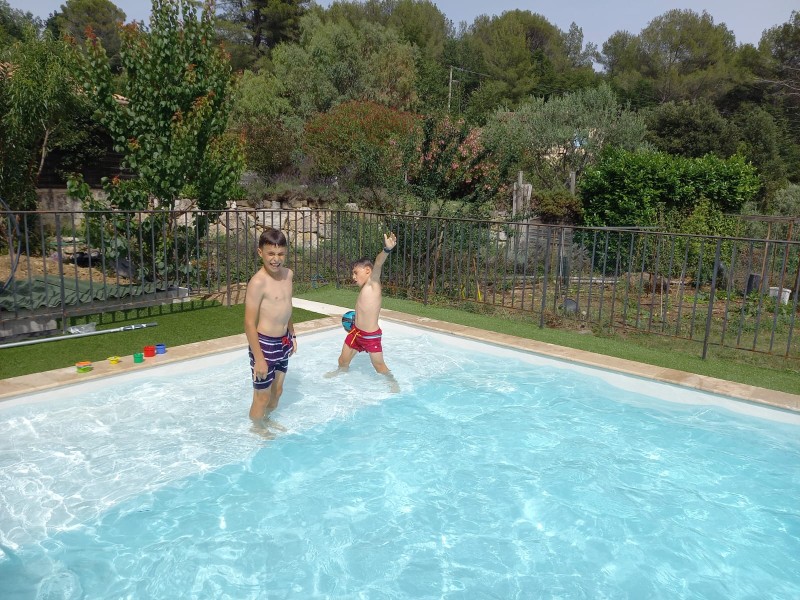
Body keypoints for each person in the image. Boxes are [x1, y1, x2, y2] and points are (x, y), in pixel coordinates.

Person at [328, 232, 399, 391]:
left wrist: (386, 250)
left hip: (370, 336)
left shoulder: (373, 284)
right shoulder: (363, 289)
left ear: (368, 270)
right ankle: (341, 377)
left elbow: (378, 263)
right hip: (356, 332)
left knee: (379, 366)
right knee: (343, 360)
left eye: (355, 272)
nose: (352, 276)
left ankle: (392, 382)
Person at [244, 228, 296, 425]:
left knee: (278, 392)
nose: (276, 259)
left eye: (281, 254)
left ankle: (266, 419)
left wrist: (292, 333)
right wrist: (259, 359)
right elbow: (249, 323)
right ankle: (256, 429)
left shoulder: (288, 275)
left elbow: (287, 305)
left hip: (283, 341)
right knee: (262, 397)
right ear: (260, 253)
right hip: (264, 346)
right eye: (271, 254)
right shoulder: (258, 282)